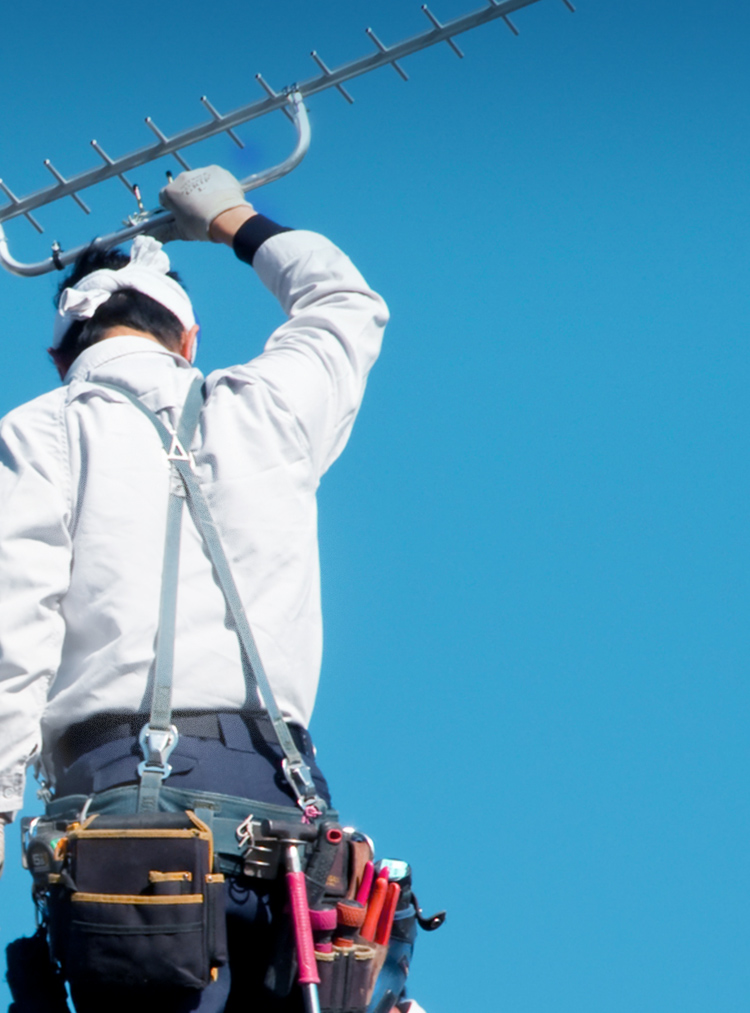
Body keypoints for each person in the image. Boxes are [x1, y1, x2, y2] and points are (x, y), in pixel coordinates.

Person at [0, 167, 424, 1012]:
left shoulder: (41, 433)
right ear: (188, 339)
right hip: (286, 801)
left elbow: (14, 629)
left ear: (61, 356)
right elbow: (345, 304)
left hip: (120, 820)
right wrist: (235, 220)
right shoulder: (266, 409)